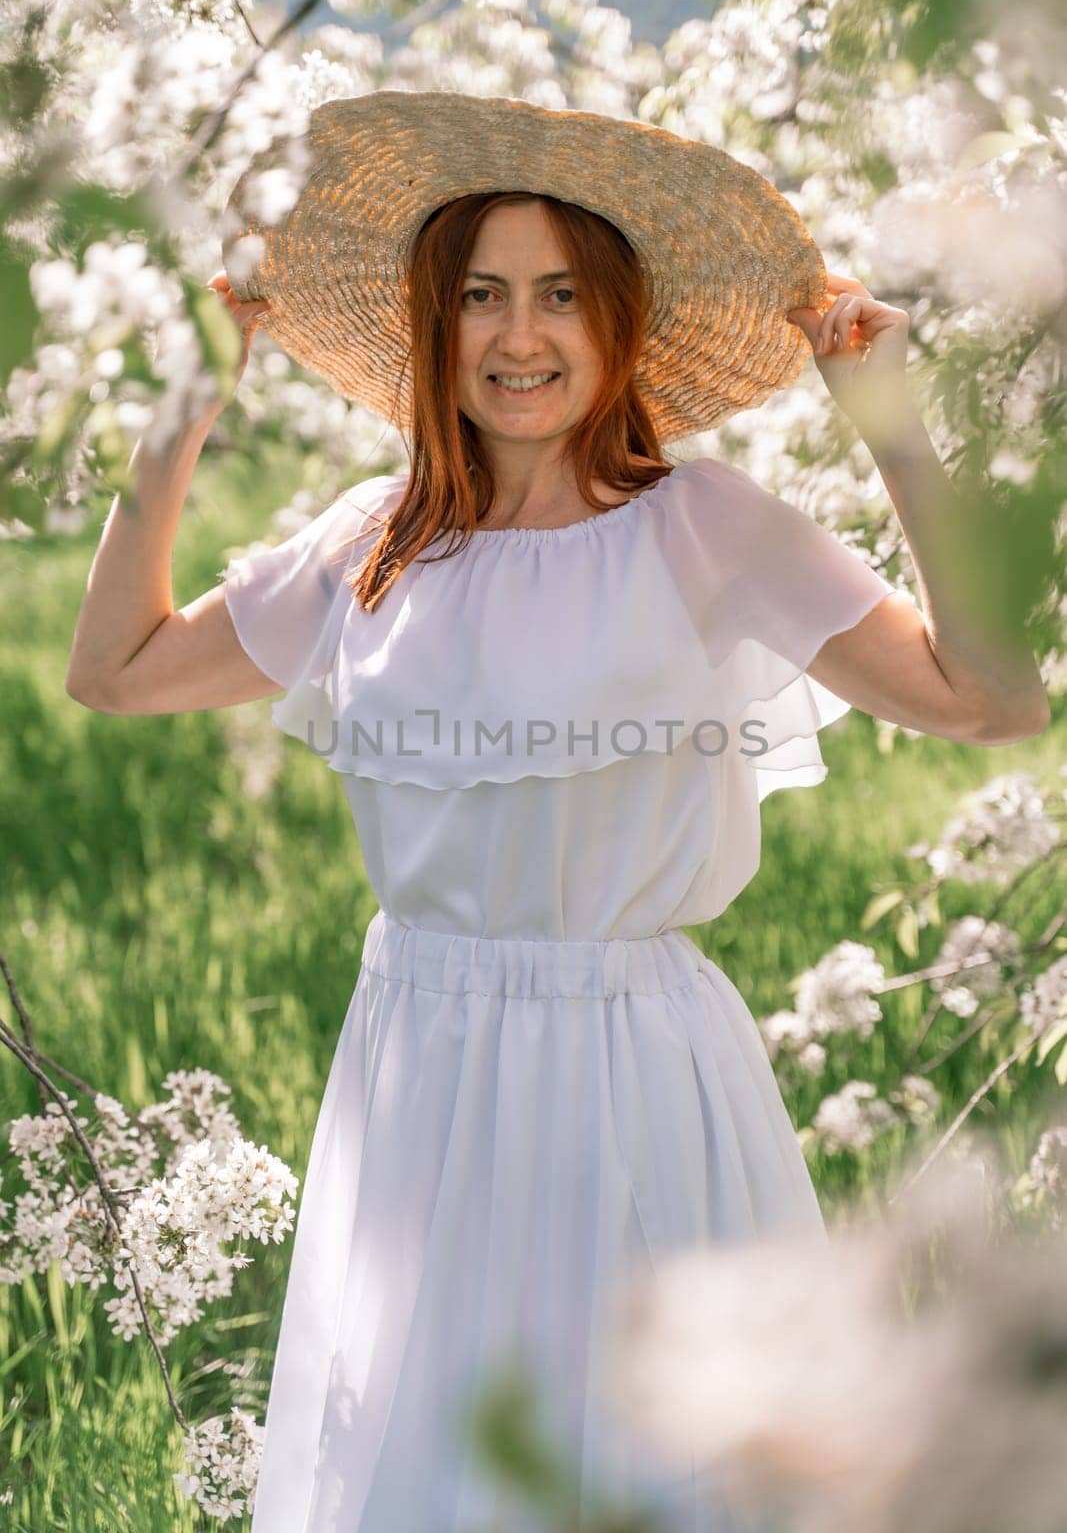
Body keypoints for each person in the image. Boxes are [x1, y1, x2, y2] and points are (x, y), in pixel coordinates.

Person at [65, 90, 1050, 1533]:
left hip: (635, 1066)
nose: (518, 337)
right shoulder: (372, 542)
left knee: (653, 1465)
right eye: (479, 295)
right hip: (418, 1072)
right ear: (430, 320)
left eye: (560, 297)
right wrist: (181, 412)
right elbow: (116, 670)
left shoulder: (703, 527)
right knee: (423, 1463)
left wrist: (893, 426)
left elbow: (990, 697)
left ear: (619, 324)